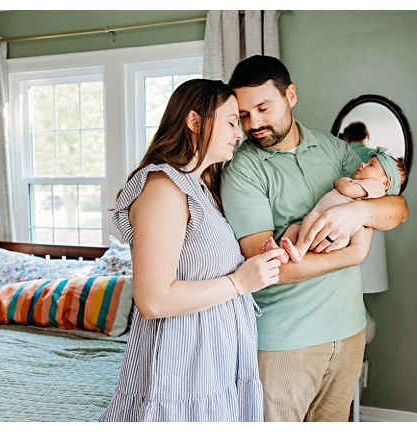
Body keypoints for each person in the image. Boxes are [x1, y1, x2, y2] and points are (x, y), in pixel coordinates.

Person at [219, 55, 410, 422]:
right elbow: (266, 265)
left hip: (350, 331)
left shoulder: (334, 149)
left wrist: (360, 212)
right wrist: (351, 255)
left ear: (290, 95)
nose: (253, 123)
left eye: (263, 108)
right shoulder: (243, 169)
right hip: (284, 344)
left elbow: (397, 209)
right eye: (243, 115)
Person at [100, 79, 286, 421]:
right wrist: (240, 284)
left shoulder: (200, 187)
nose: (240, 132)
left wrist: (263, 262)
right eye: (231, 121)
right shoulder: (164, 190)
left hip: (213, 361)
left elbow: (205, 265)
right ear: (195, 121)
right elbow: (153, 300)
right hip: (184, 367)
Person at [279, 150, 405, 256]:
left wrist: (340, 182)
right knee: (293, 229)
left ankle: (299, 250)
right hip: (321, 223)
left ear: (386, 183)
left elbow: (347, 190)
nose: (362, 164)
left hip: (329, 228)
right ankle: (283, 254)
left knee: (310, 219)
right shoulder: (364, 184)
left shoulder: (376, 187)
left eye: (371, 165)